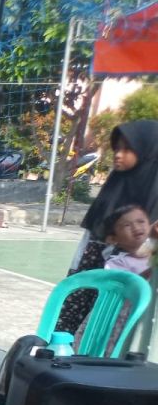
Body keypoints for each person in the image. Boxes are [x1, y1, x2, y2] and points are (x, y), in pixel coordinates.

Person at [57, 120, 158, 334]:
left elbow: (148, 250)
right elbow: (91, 236)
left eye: (127, 149)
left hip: (124, 281)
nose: (118, 155)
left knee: (101, 331)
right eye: (117, 148)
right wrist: (75, 270)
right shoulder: (114, 186)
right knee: (68, 328)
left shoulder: (153, 194)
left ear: (146, 151)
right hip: (91, 270)